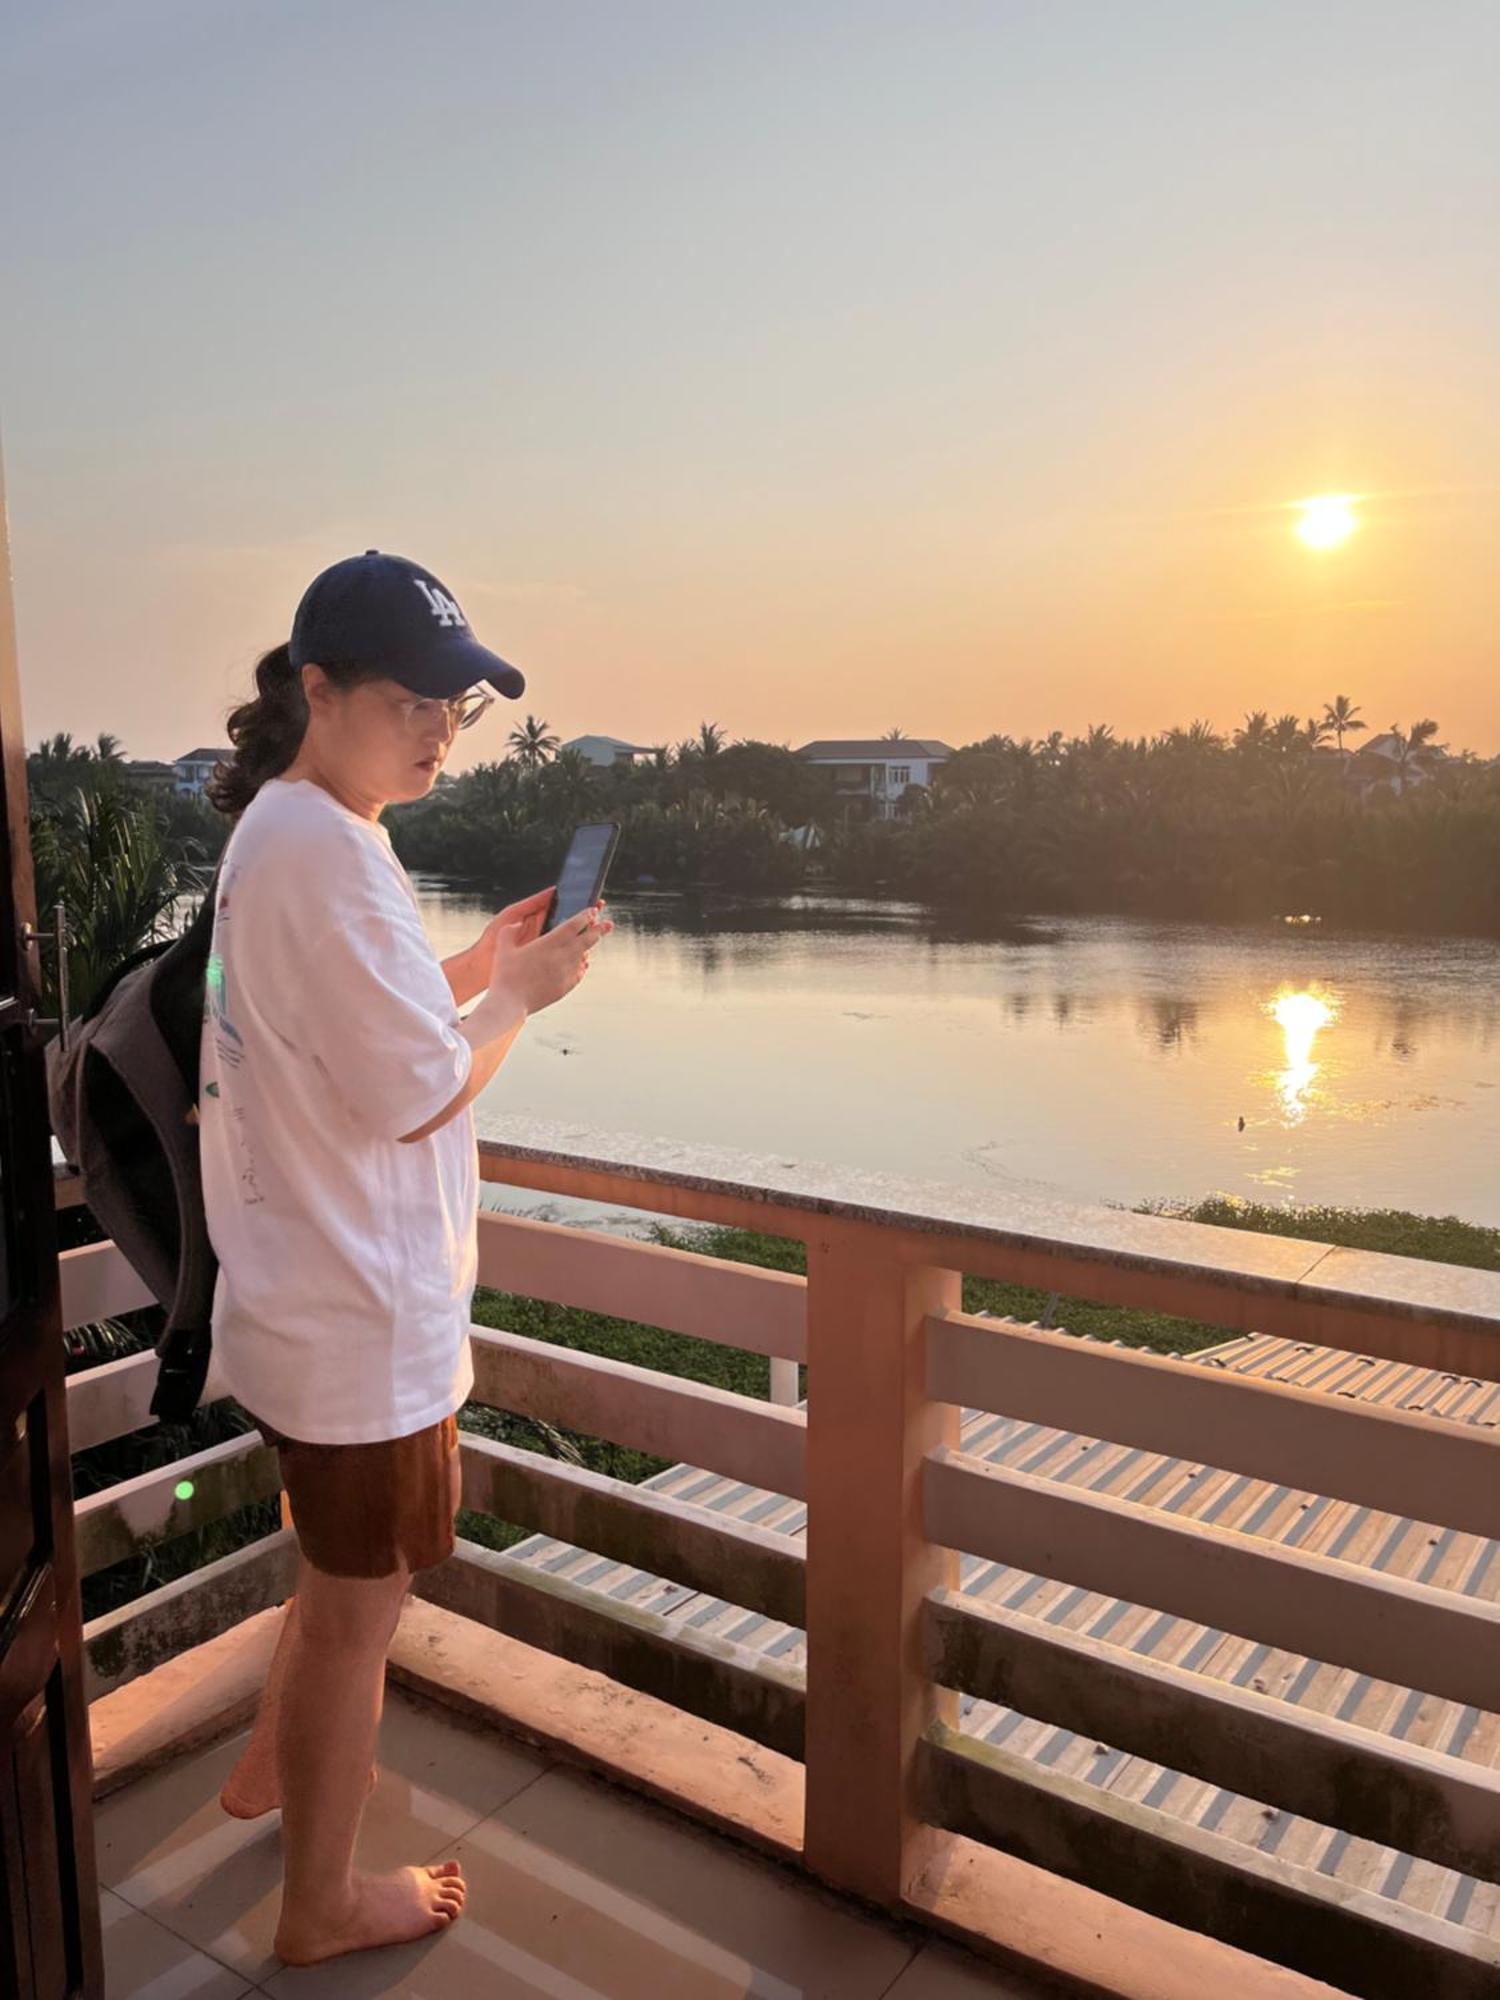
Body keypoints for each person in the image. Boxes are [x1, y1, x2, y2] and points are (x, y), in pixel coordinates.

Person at [196, 550, 612, 1967]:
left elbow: (354, 1034)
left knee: (335, 1583)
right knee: (363, 1619)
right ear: (320, 690)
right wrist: (522, 998)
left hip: (301, 1301)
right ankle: (320, 1901)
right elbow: (414, 1092)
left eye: (459, 703)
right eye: (412, 698)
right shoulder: (325, 848)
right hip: (362, 1325)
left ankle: (267, 1779)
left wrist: (467, 977)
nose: (441, 726)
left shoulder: (290, 830)